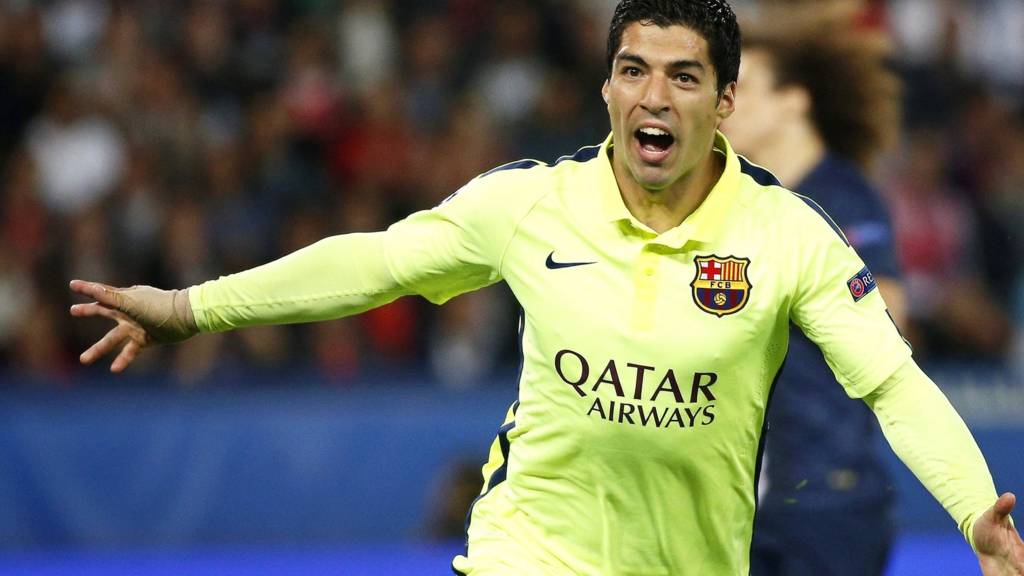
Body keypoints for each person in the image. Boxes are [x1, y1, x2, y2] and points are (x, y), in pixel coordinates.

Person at [69, 1, 1024, 574]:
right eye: (632, 70)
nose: (654, 96)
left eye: (684, 77)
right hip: (529, 551)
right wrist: (195, 309)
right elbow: (377, 263)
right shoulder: (530, 204)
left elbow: (891, 383)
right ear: (607, 87)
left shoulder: (787, 236)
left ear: (724, 102)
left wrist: (977, 512)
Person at [721, 15, 904, 576]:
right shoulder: (737, 207)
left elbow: (889, 318)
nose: (723, 105)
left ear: (793, 101)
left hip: (829, 498)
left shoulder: (842, 200)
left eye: (743, 87)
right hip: (748, 499)